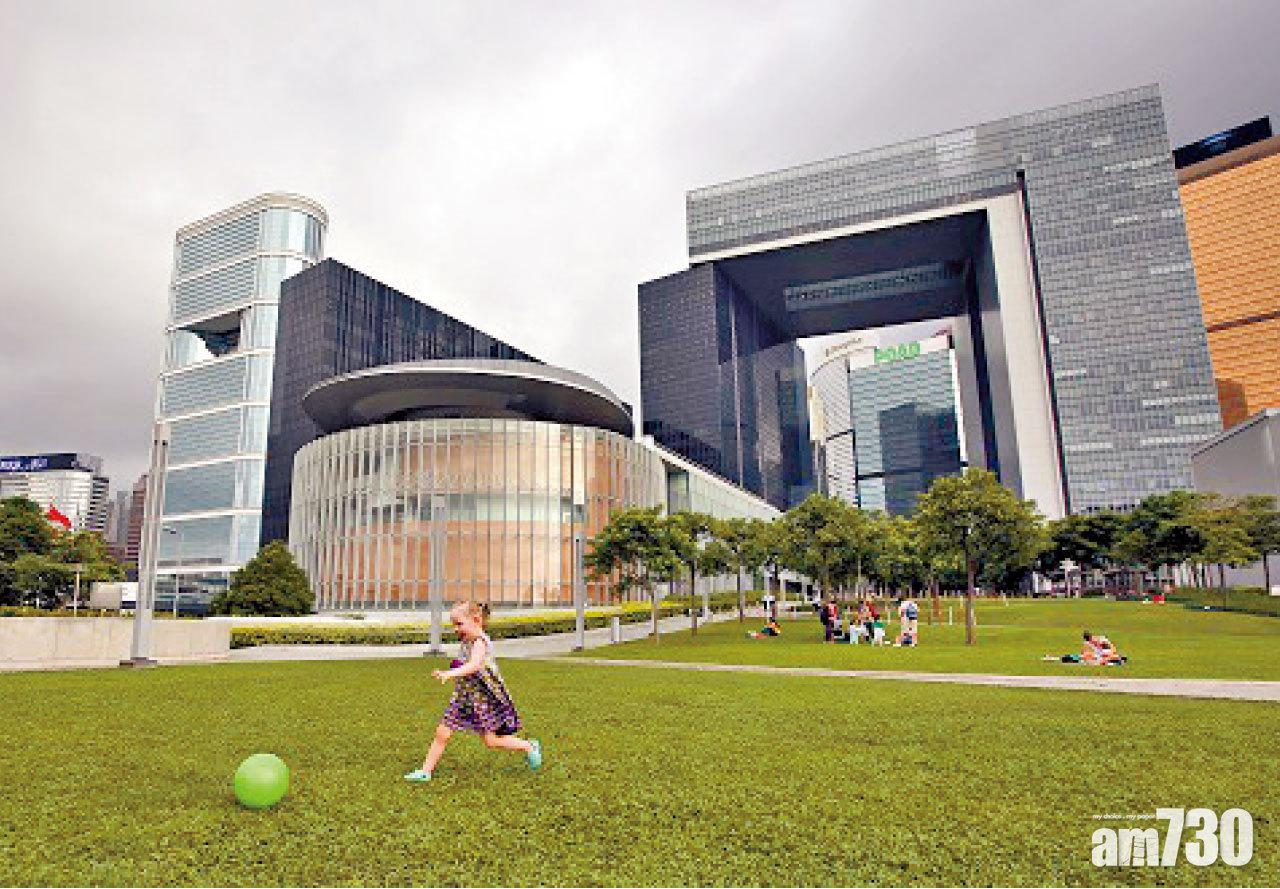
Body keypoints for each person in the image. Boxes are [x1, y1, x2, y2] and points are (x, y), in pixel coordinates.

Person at [404, 601, 542, 782]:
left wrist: (450, 673)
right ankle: (425, 771)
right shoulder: (467, 641)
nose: (455, 629)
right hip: (463, 698)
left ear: (476, 620)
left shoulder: (480, 642)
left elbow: (474, 665)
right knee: (442, 731)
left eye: (459, 624)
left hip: (481, 700)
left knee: (491, 741)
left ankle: (529, 746)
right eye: (453, 624)